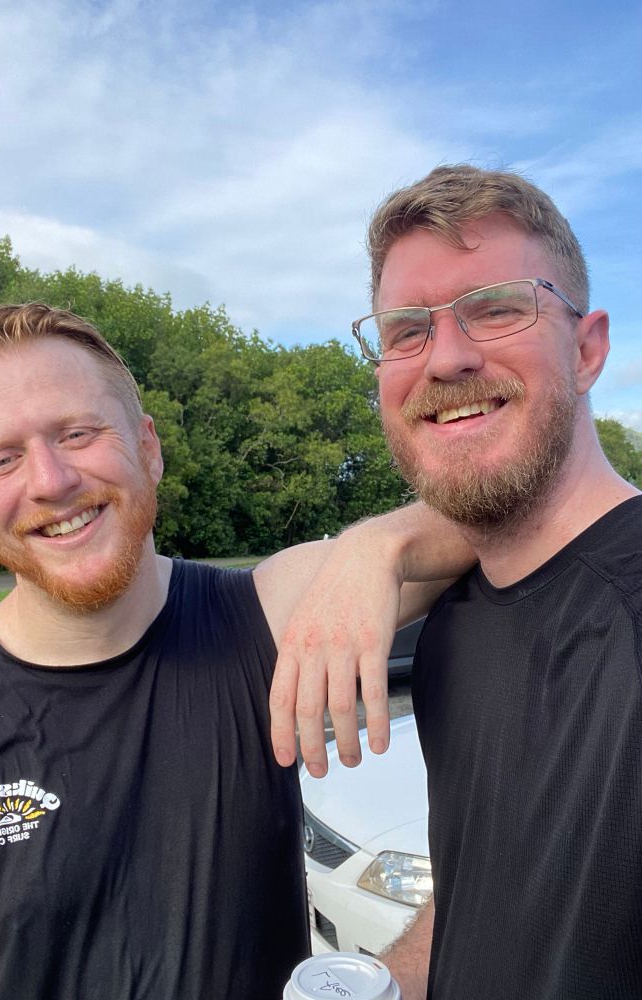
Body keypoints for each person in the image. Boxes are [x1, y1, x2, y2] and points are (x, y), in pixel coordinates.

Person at [0, 303, 470, 1000]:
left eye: (77, 433)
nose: (49, 480)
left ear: (149, 448)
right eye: (3, 458)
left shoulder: (262, 614)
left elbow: (516, 514)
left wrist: (379, 544)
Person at [274, 164, 642, 1000]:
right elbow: (495, 894)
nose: (446, 358)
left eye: (498, 307)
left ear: (588, 351)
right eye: (405, 330)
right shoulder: (456, 623)